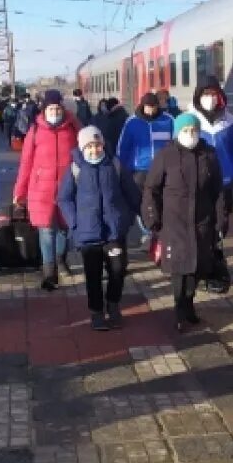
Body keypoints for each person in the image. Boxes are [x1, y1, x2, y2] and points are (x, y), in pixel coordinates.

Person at [143, 113, 229, 331]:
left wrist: (221, 219)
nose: (190, 134)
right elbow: (151, 188)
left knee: (197, 268)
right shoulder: (166, 155)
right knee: (179, 270)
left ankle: (188, 304)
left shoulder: (209, 155)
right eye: (185, 131)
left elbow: (218, 190)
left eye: (194, 130)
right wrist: (152, 217)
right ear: (177, 133)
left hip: (202, 222)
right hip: (174, 223)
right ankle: (181, 310)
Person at [58, 126, 140, 330]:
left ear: (103, 144)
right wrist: (75, 222)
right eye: (89, 146)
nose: (94, 150)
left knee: (118, 270)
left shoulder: (115, 165)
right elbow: (64, 198)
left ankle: (113, 305)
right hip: (88, 232)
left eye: (97, 145)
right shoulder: (75, 169)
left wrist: (128, 218)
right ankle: (96, 312)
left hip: (114, 230)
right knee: (93, 275)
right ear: (82, 147)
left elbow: (132, 194)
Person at [12, 88, 80, 290]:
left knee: (64, 229)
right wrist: (19, 192)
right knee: (46, 230)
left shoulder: (73, 127)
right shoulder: (35, 131)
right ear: (44, 109)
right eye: (51, 107)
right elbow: (26, 163)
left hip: (69, 188)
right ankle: (49, 271)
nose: (54, 110)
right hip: (41, 189)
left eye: (57, 106)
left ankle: (60, 260)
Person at [190, 76, 233, 291]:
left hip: (223, 182)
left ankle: (214, 264)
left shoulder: (229, 121)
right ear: (198, 96)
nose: (210, 98)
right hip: (200, 184)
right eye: (205, 94)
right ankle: (203, 268)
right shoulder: (190, 120)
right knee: (201, 225)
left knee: (221, 224)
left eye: (213, 94)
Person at [116, 92, 174, 247]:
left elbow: (176, 142)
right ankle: (148, 234)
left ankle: (161, 232)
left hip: (165, 170)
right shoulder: (132, 122)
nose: (151, 110)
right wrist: (125, 170)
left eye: (154, 107)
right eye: (148, 107)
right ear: (142, 106)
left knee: (164, 202)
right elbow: (123, 148)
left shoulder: (168, 120)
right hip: (140, 171)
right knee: (144, 204)